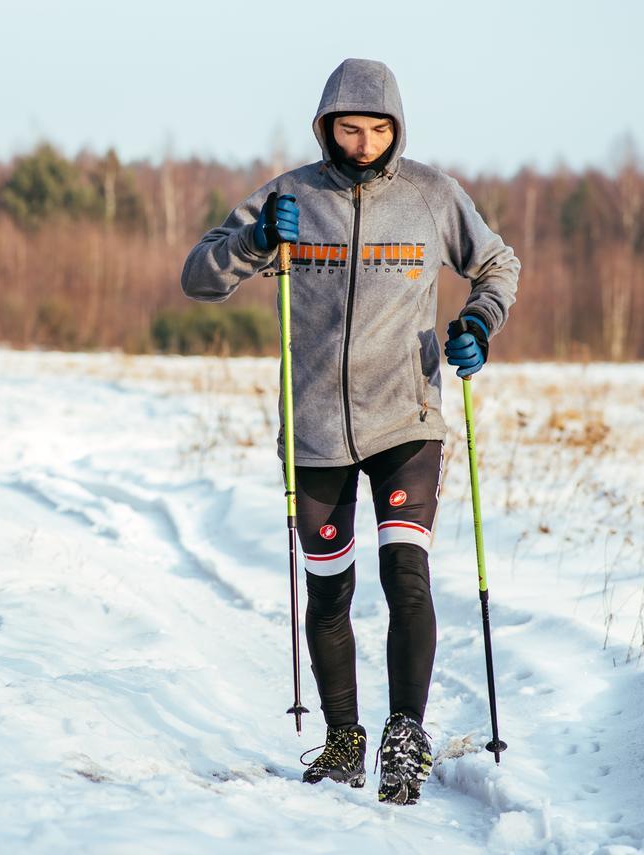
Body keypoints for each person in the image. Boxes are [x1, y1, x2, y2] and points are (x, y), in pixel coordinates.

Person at [179, 58, 519, 805]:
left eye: (376, 128)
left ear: (396, 129)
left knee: (407, 575)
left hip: (407, 417)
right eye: (348, 128)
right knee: (329, 594)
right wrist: (255, 240)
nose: (363, 141)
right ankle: (342, 740)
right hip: (315, 432)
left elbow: (497, 264)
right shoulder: (289, 195)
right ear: (326, 127)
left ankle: (404, 736)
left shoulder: (433, 195)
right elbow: (198, 275)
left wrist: (478, 324)